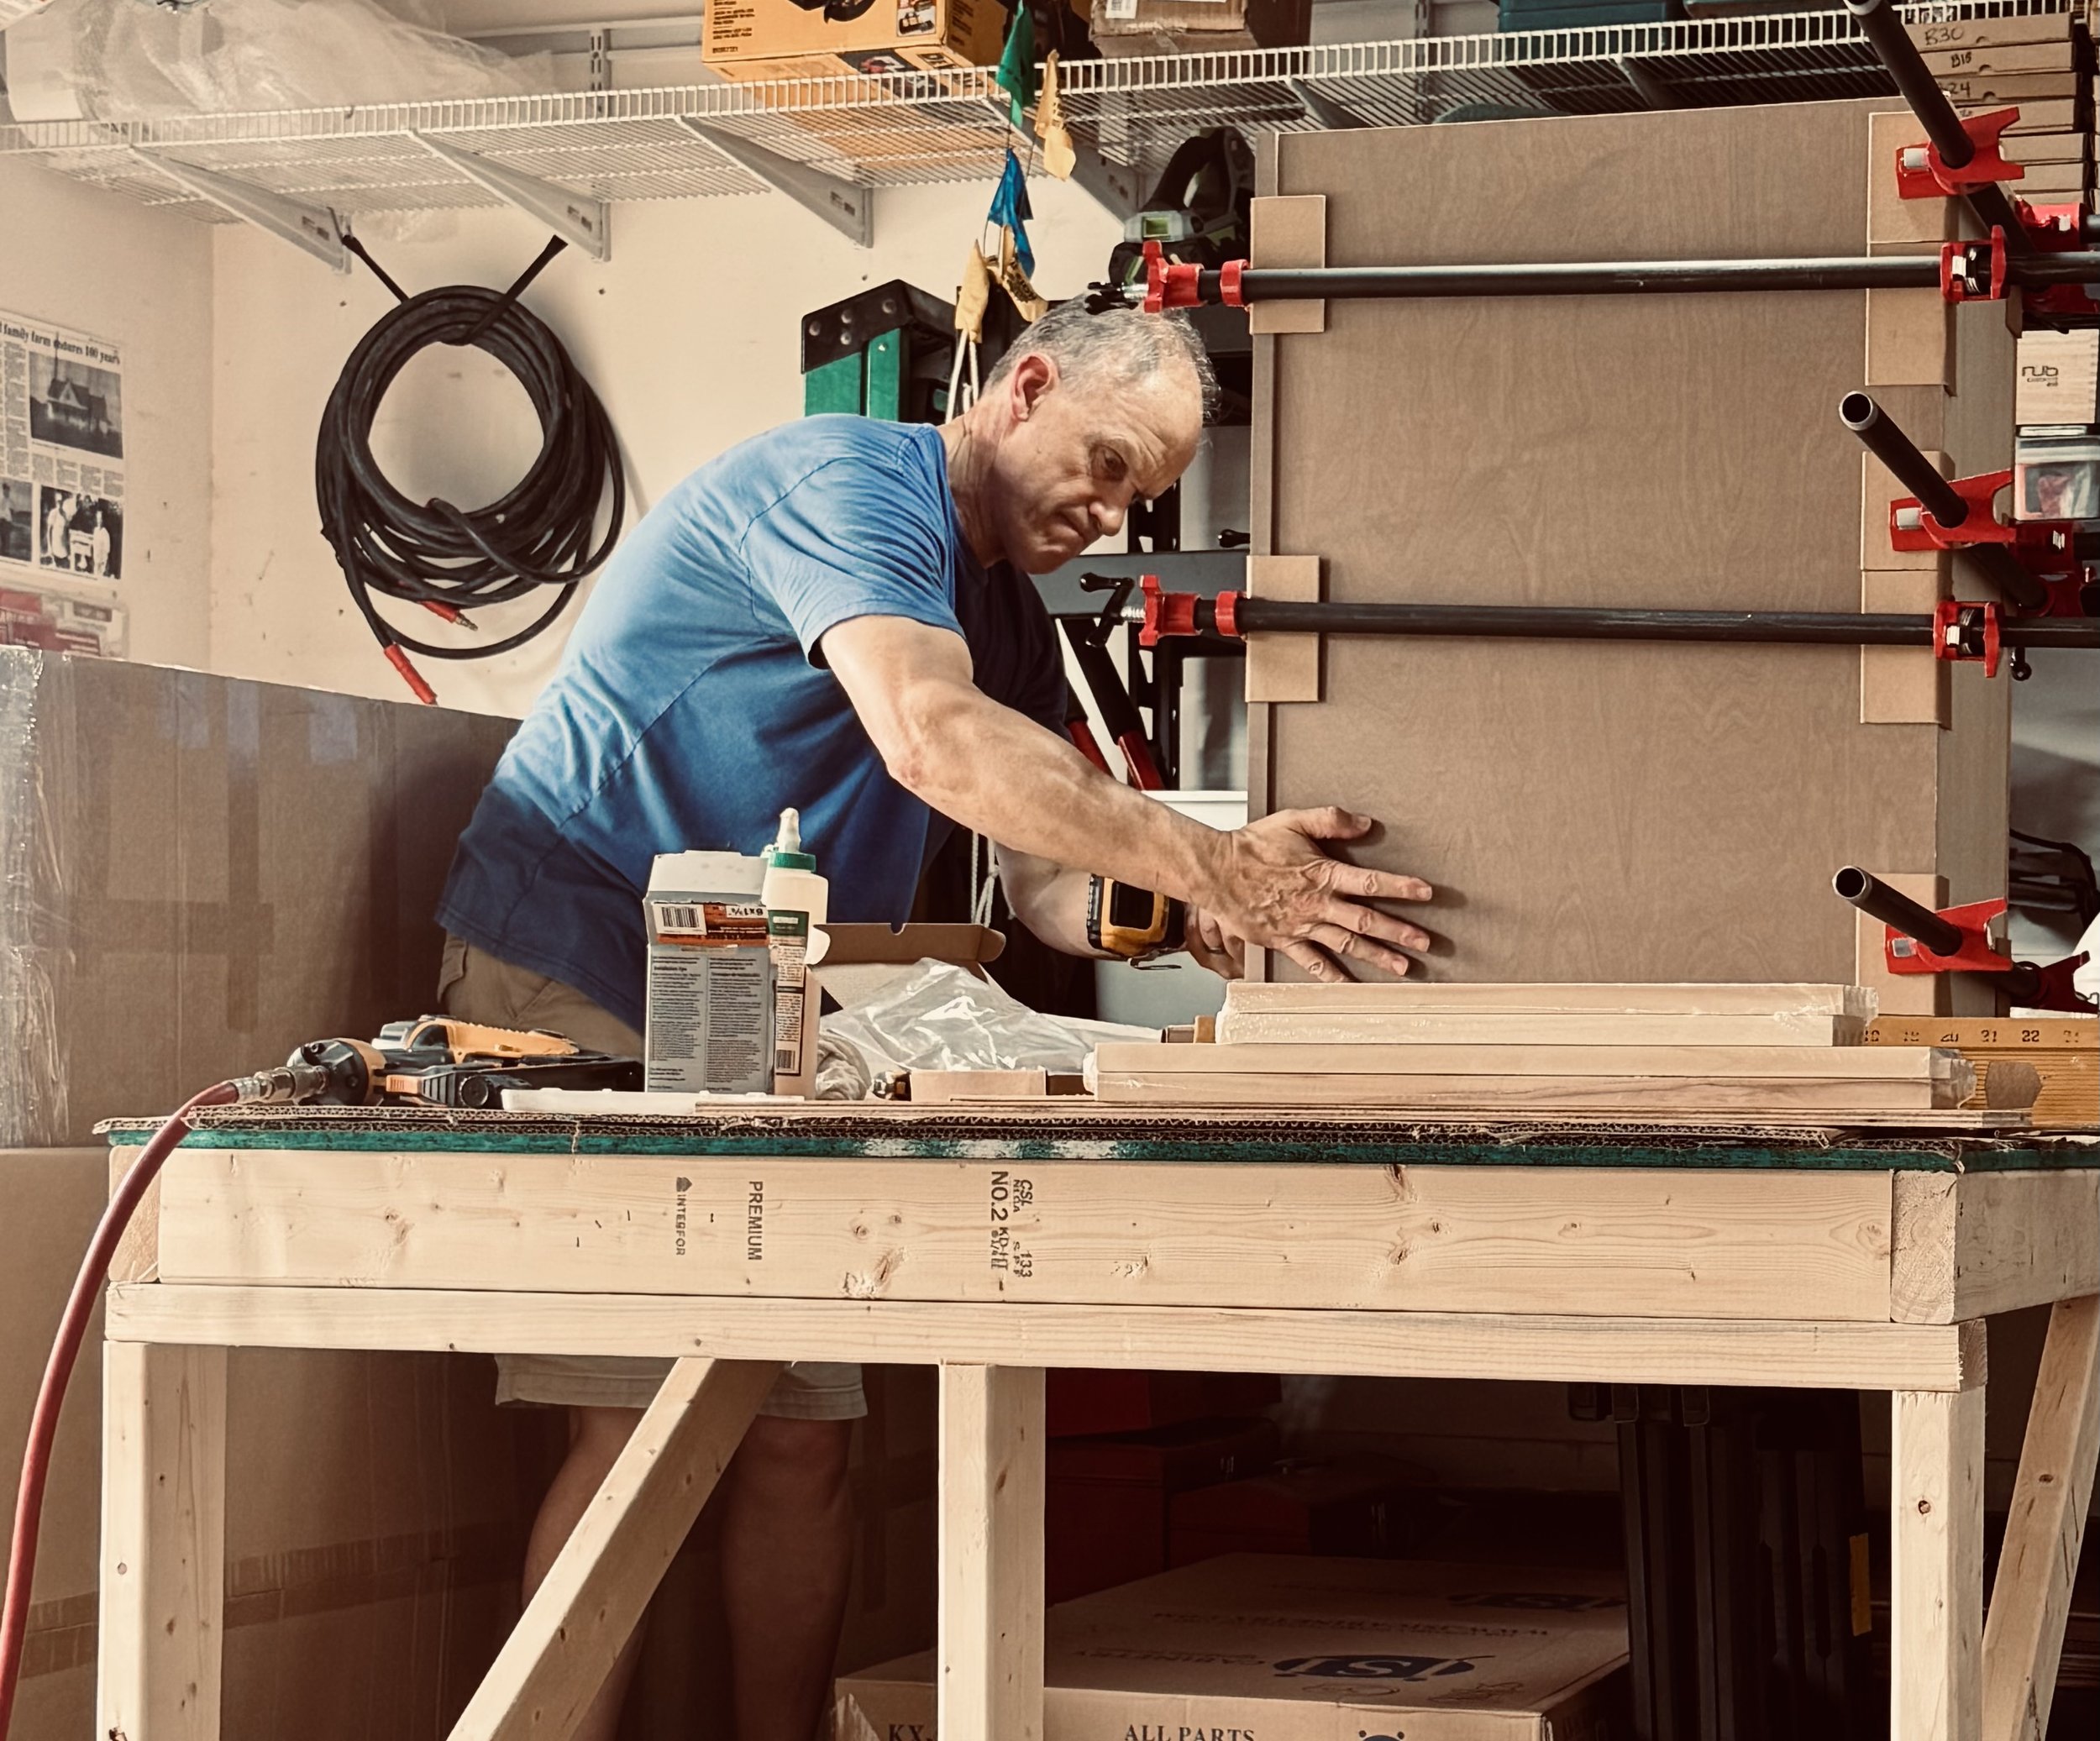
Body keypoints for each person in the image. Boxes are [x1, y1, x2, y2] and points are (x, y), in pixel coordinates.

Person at [433, 301, 1436, 1740]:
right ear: (1024, 387)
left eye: (1139, 497)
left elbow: (1044, 891)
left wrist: (1197, 905)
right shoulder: (845, 486)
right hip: (580, 957)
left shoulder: (1005, 624)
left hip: (754, 999)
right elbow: (932, 740)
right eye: (1101, 462)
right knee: (637, 1426)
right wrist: (1215, 861)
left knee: (798, 1444)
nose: (1107, 511)